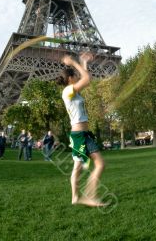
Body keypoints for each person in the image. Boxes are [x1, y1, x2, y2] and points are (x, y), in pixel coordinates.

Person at [57, 52, 106, 207]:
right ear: (70, 78)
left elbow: (86, 80)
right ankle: (81, 197)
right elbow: (86, 79)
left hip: (85, 134)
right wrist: (74, 62)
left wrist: (84, 63)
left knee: (97, 165)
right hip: (78, 135)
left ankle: (83, 196)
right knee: (79, 168)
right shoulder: (67, 91)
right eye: (75, 75)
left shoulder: (75, 92)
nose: (78, 76)